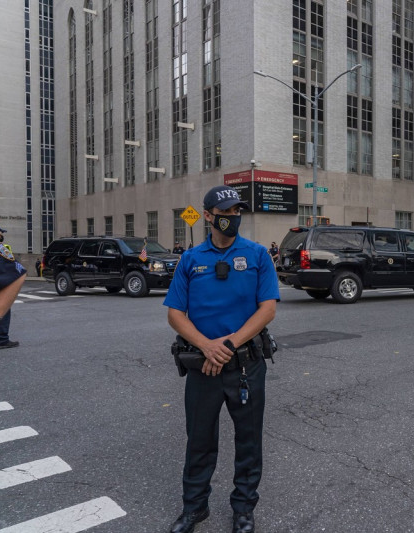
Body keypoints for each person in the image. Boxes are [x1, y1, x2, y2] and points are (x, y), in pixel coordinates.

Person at [164, 185, 279, 533]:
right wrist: (206, 346)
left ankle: (244, 508)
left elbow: (267, 309)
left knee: (248, 441)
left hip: (246, 364)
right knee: (199, 441)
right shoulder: (191, 259)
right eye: (225, 213)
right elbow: (175, 313)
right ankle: (194, 508)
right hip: (203, 367)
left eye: (236, 212)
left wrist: (225, 346)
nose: (232, 218)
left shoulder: (258, 255)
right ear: (208, 215)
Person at [0, 224, 26, 350]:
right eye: (1, 233)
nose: (2, 236)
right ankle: (1, 339)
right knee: (2, 308)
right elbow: (18, 273)